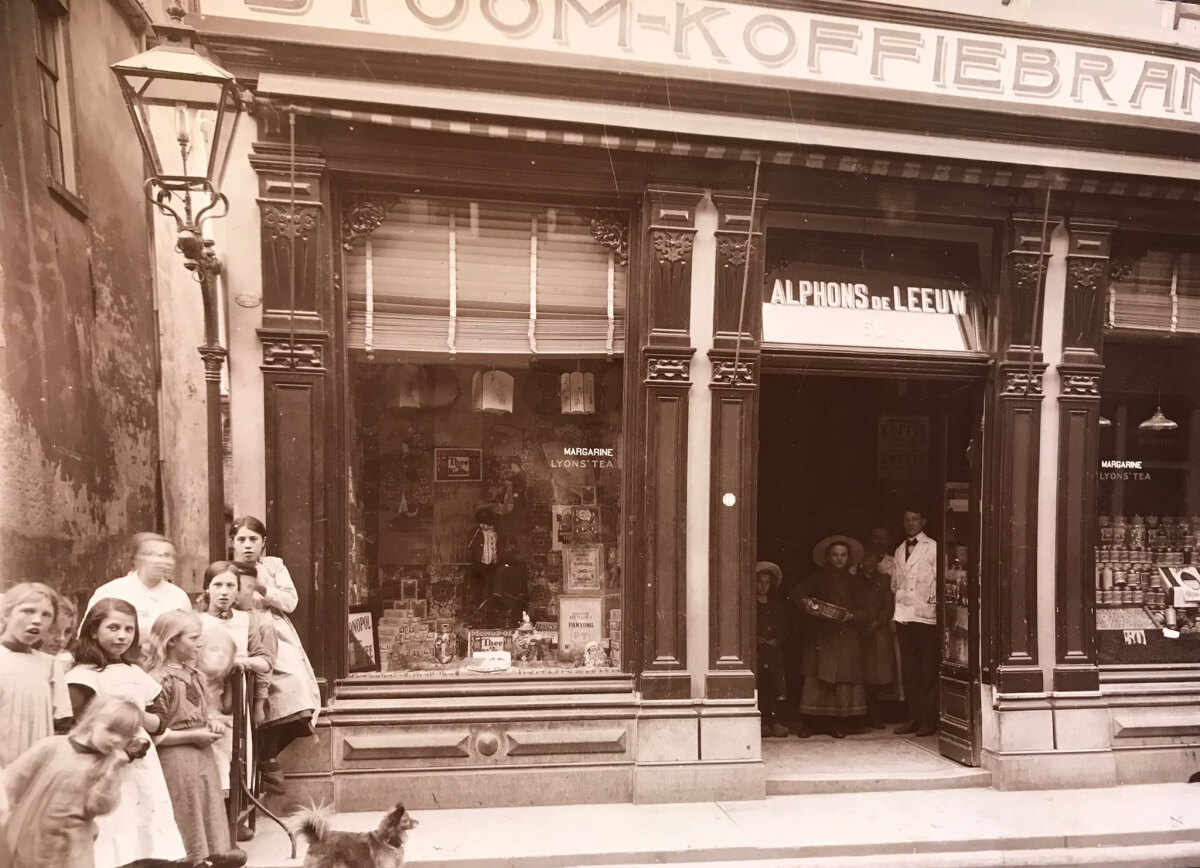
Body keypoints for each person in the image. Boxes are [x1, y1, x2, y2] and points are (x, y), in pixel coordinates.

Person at [67, 598, 187, 868]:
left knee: (147, 817)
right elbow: (79, 725)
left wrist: (136, 714)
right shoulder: (84, 675)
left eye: (128, 629)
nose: (121, 636)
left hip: (143, 761)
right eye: (113, 628)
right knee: (114, 823)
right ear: (94, 631)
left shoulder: (135, 671)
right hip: (105, 762)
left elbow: (161, 719)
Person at [144, 610, 244, 867]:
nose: (200, 643)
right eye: (194, 637)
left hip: (202, 757)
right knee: (184, 810)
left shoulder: (194, 674)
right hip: (176, 759)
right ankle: (190, 859)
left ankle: (210, 855)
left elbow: (199, 712)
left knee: (206, 806)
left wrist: (210, 723)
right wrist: (194, 735)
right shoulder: (159, 680)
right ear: (172, 641)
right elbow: (156, 734)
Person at [229, 516, 321, 791]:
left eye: (253, 539)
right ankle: (257, 759)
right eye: (241, 539)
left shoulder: (273, 566)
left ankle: (268, 754)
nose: (247, 545)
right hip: (239, 627)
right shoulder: (227, 569)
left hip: (274, 629)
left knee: (296, 684)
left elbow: (290, 601)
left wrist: (261, 588)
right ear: (232, 542)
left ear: (263, 543)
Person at [0, 698, 141, 868]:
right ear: (92, 721)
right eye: (111, 730)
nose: (117, 740)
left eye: (126, 736)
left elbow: (99, 807)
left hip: (72, 850)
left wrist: (114, 770)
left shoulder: (108, 765)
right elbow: (10, 783)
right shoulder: (51, 747)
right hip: (30, 842)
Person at [790, 537, 870, 739]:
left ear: (848, 558)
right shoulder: (817, 578)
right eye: (835, 555)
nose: (839, 559)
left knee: (840, 679)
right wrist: (805, 602)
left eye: (843, 555)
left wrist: (851, 616)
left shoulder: (856, 583)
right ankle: (810, 722)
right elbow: (796, 592)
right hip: (820, 635)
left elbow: (868, 610)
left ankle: (837, 723)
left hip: (845, 636)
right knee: (815, 677)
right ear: (829, 557)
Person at [0, 583, 73, 767]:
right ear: (6, 614)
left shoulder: (49, 665)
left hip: (36, 768)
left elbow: (62, 724)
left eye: (46, 615)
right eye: (28, 611)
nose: (37, 620)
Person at [85, 533, 192, 644]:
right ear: (135, 559)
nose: (162, 561)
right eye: (151, 554)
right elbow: (87, 637)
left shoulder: (179, 597)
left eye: (167, 555)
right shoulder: (111, 591)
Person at [889, 506, 939, 737]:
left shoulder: (933, 547)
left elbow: (939, 580)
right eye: (906, 519)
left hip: (925, 617)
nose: (910, 523)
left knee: (927, 670)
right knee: (909, 672)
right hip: (904, 617)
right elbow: (895, 584)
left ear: (923, 521)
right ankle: (914, 717)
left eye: (915, 519)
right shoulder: (899, 549)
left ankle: (929, 720)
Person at [858, 527, 898, 729]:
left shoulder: (885, 577)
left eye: (874, 561)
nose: (870, 564)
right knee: (862, 673)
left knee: (878, 674)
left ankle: (878, 714)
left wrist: (876, 623)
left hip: (880, 630)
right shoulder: (855, 579)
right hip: (860, 631)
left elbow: (888, 606)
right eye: (867, 560)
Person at [755, 562, 790, 738]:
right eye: (759, 581)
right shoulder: (749, 605)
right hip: (758, 653)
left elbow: (784, 627)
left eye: (767, 582)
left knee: (776, 687)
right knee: (760, 686)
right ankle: (762, 723)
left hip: (773, 652)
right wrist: (755, 639)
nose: (763, 586)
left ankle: (775, 722)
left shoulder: (776, 605)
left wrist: (777, 639)